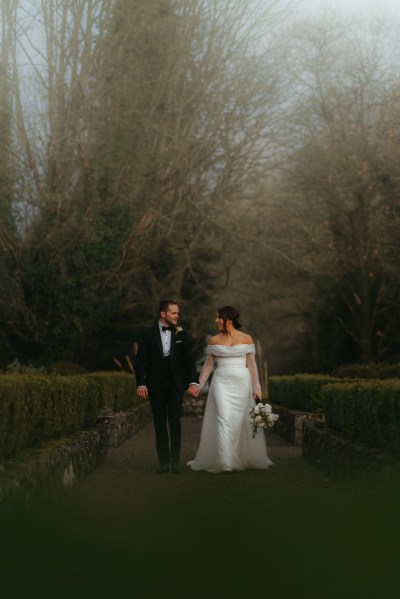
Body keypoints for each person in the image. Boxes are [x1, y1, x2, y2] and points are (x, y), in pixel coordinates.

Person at [188, 306, 273, 473]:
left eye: (218, 318)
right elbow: (208, 365)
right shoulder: (214, 340)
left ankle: (238, 456)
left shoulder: (247, 338)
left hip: (242, 383)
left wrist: (257, 387)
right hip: (221, 383)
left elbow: (252, 365)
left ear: (228, 319)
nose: (216, 321)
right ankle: (226, 461)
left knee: (238, 421)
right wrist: (198, 384)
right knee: (224, 418)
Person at [136, 299, 199, 474]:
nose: (177, 316)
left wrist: (193, 381)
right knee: (159, 423)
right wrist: (141, 383)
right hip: (155, 384)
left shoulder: (181, 334)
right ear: (163, 314)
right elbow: (141, 360)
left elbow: (189, 359)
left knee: (174, 420)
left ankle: (176, 461)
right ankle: (163, 462)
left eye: (178, 313)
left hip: (175, 385)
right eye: (173, 313)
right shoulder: (147, 334)